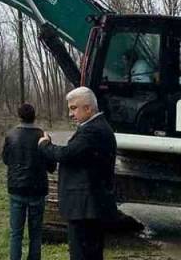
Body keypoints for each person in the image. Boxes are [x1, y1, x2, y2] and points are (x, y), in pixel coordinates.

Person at [37, 87, 117, 260]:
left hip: (85, 208)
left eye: (73, 108)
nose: (70, 114)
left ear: (88, 108)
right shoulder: (96, 127)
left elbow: (66, 154)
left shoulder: (92, 131)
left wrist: (45, 145)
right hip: (90, 206)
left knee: (82, 254)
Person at [2, 103, 55, 260]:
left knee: (16, 233)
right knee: (36, 233)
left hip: (16, 188)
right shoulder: (43, 136)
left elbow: (6, 160)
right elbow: (52, 166)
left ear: (19, 117)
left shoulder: (11, 135)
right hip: (37, 190)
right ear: (34, 116)